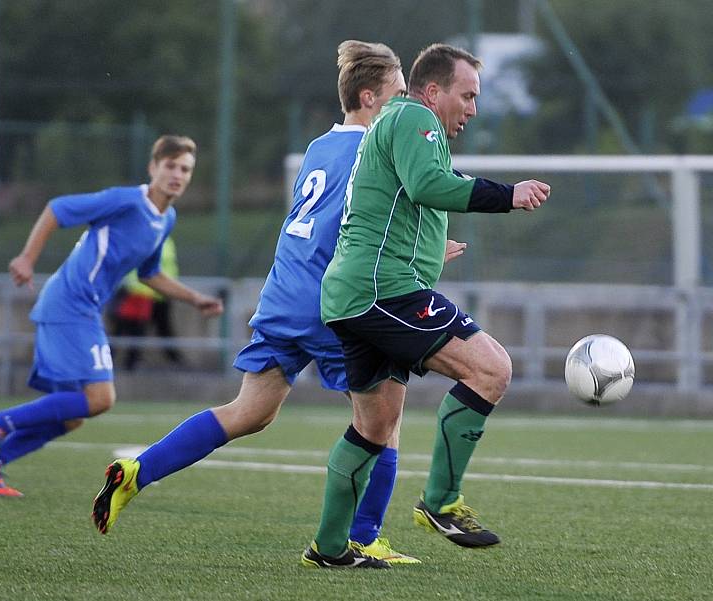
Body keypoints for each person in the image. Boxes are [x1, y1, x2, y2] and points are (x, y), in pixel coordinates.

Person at [91, 40, 435, 566]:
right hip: (329, 301)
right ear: (370, 98)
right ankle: (363, 537)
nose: (407, 105)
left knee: (248, 411)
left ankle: (140, 471)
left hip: (282, 295)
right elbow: (360, 233)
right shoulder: (375, 153)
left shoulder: (320, 148)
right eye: (400, 94)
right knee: (384, 419)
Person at [302, 43, 551, 568]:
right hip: (380, 290)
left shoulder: (394, 120)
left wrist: (427, 254)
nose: (473, 108)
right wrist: (509, 195)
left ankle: (327, 549)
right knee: (492, 368)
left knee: (374, 426)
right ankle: (441, 502)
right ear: (433, 90)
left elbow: (401, 199)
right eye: (468, 95)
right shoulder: (416, 116)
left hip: (354, 293)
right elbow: (428, 185)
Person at [0, 135, 223, 497]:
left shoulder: (166, 218)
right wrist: (27, 258)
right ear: (153, 168)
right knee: (100, 399)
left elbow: (150, 274)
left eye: (185, 169)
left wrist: (195, 299)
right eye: (171, 166)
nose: (177, 174)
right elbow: (57, 208)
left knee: (71, 416)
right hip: (70, 303)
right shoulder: (127, 200)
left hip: (82, 309)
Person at [111, 236, 185, 371]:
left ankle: (174, 360)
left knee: (154, 329)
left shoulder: (164, 238)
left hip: (158, 294)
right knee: (127, 328)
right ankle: (123, 362)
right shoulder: (146, 235)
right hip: (140, 292)